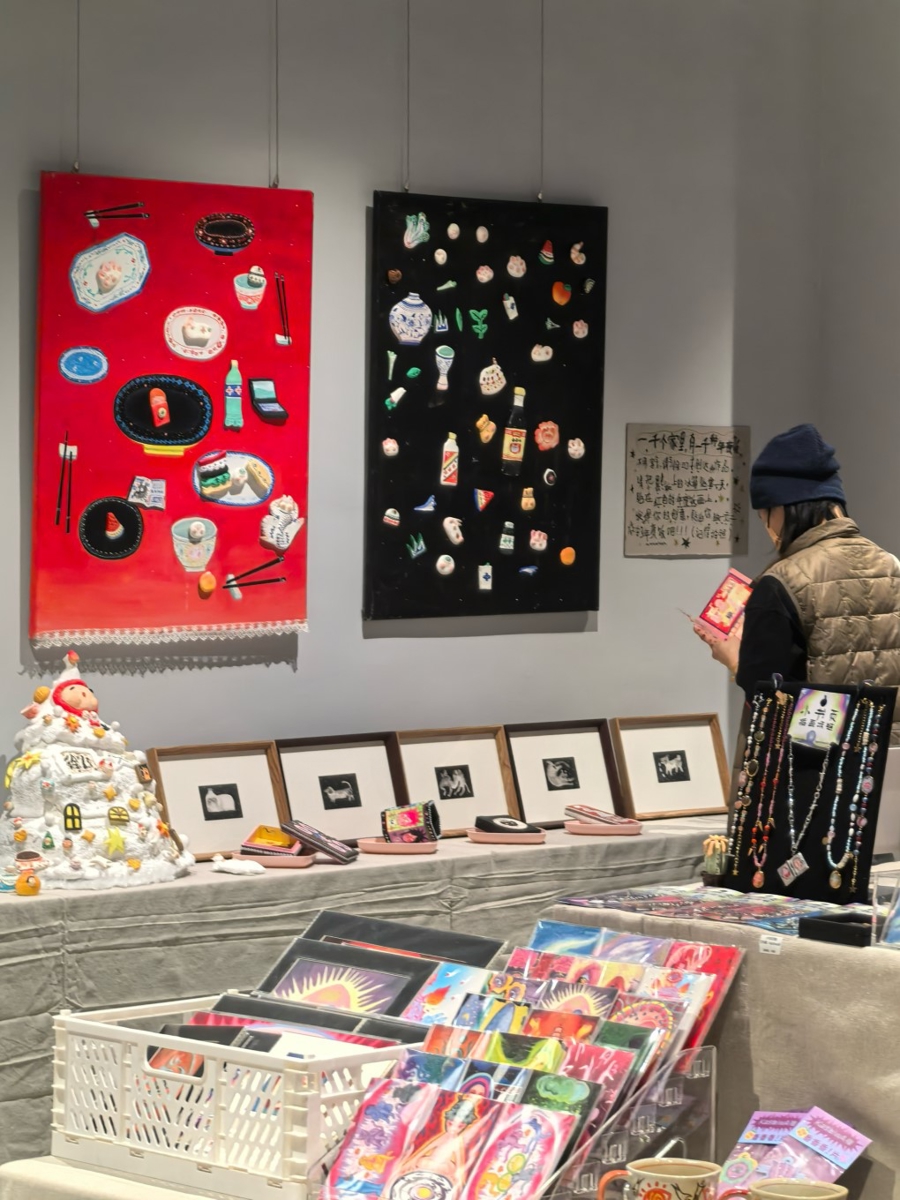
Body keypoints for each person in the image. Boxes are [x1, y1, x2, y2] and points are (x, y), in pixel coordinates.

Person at [694, 424, 900, 737]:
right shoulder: (892, 566)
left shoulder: (781, 583)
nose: (767, 527)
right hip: (889, 756)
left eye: (763, 515)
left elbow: (773, 706)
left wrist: (735, 660)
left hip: (820, 760)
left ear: (780, 508)